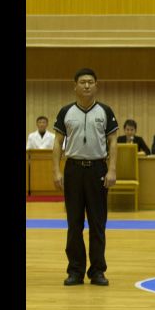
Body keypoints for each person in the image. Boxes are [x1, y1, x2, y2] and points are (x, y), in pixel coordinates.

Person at [52, 68, 118, 287]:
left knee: (98, 224)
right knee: (74, 223)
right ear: (75, 86)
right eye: (83, 82)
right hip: (73, 170)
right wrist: (56, 170)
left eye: (91, 82)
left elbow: (113, 142)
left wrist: (112, 170)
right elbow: (57, 143)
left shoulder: (106, 111)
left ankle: (97, 271)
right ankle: (76, 271)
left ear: (96, 85)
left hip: (98, 170)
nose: (87, 85)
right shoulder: (66, 112)